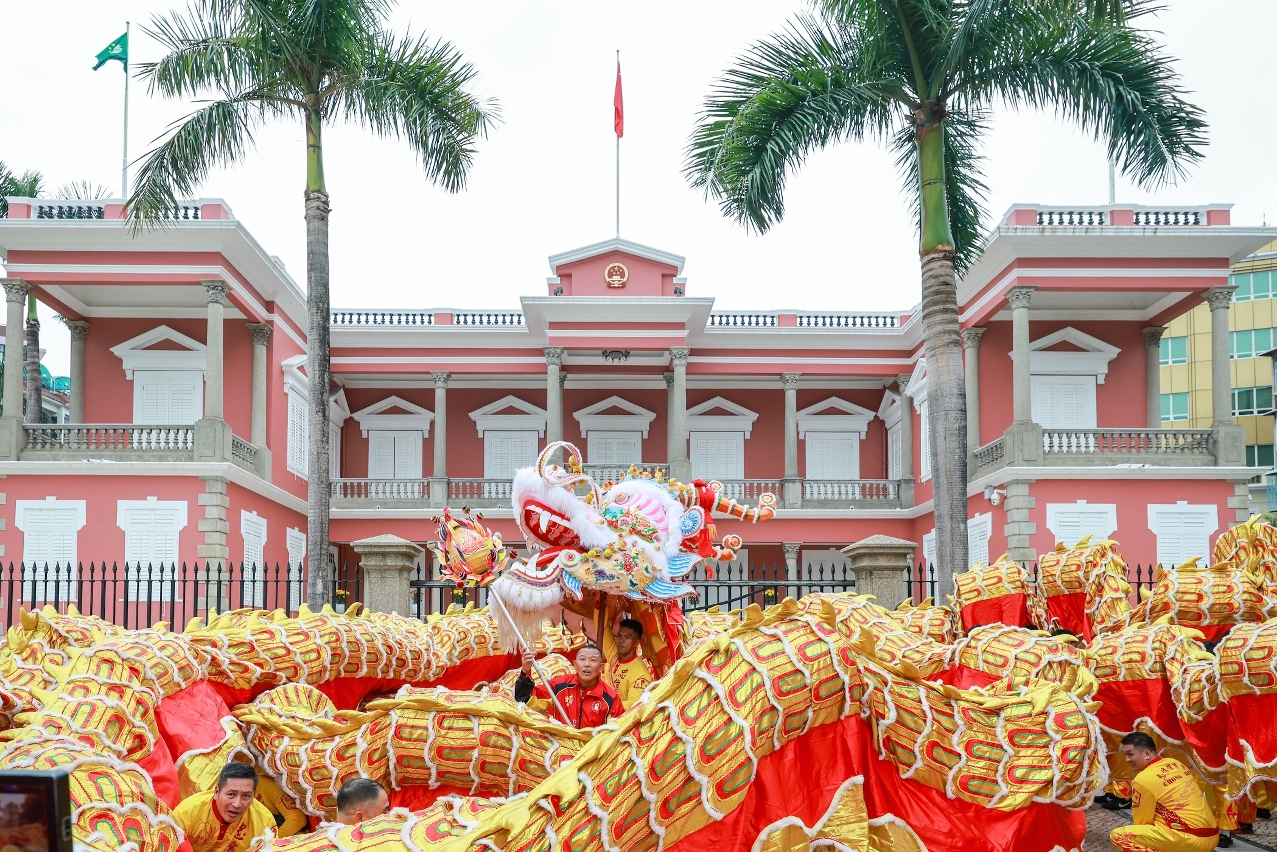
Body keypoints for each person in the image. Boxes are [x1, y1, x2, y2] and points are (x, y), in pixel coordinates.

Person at [1109, 732, 1218, 852]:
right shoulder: (1175, 763)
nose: (1127, 759)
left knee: (1119, 836)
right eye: (1126, 755)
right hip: (1213, 835)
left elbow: (1142, 822)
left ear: (1147, 753)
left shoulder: (1142, 779)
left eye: (1130, 754)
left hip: (1191, 840)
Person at [172, 761, 276, 852]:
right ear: (217, 792)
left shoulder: (265, 823)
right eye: (231, 794)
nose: (237, 804)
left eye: (246, 796)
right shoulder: (186, 814)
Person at [514, 643, 624, 729]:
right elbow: (525, 699)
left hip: (592, 749)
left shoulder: (610, 697)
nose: (587, 664)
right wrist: (526, 671)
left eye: (593, 660)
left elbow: (617, 731)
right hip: (562, 747)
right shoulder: (559, 686)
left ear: (601, 667)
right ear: (575, 664)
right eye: (582, 659)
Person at [603, 618, 656, 705]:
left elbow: (633, 705)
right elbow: (603, 626)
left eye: (627, 637)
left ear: (636, 642)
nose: (621, 640)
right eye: (619, 635)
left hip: (616, 713)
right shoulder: (614, 655)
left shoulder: (641, 675)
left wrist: (604, 707)